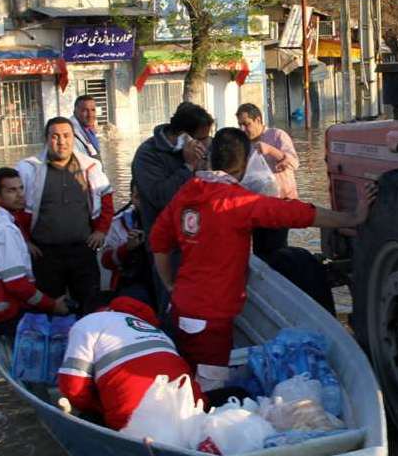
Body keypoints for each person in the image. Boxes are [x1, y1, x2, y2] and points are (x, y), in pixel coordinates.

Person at [149, 127, 372, 390]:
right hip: (212, 320)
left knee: (187, 372)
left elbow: (158, 244)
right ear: (244, 166)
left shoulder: (185, 194)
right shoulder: (239, 202)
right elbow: (296, 213)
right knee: (210, 389)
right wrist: (351, 218)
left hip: (180, 308)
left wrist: (170, 286)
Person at [57, 295, 203, 430]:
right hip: (193, 413)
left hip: (132, 419)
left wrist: (98, 408)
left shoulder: (90, 321)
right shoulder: (158, 332)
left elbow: (72, 386)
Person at [17, 117, 114, 314]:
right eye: (55, 136)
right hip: (45, 254)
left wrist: (101, 231)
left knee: (90, 304)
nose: (61, 141)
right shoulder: (29, 169)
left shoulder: (90, 167)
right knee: (51, 308)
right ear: (46, 140)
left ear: (73, 138)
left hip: (83, 250)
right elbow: (16, 208)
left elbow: (106, 197)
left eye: (66, 136)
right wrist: (25, 241)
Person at [0, 167, 68, 336]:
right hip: (1, 315)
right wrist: (53, 305)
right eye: (11, 190)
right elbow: (17, 284)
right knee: (64, 326)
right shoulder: (5, 230)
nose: (20, 194)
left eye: (21, 188)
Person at [131, 101, 215, 235]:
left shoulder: (205, 149)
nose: (207, 143)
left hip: (200, 236)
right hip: (166, 242)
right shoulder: (147, 154)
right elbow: (160, 198)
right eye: (202, 139)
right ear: (184, 137)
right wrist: (188, 166)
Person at [235, 102, 298, 200]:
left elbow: (294, 163)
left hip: (285, 199)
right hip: (259, 201)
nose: (243, 129)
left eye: (247, 124)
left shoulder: (277, 135)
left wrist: (271, 150)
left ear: (258, 120)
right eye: (240, 125)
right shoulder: (243, 144)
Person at [99, 180, 148, 304]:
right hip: (130, 284)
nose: (143, 202)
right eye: (138, 197)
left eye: (146, 196)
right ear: (131, 197)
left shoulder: (171, 221)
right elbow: (105, 261)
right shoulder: (118, 223)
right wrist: (127, 248)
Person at [70, 94, 103, 162]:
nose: (90, 115)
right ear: (75, 112)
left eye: (93, 110)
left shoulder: (88, 131)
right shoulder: (71, 135)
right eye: (85, 110)